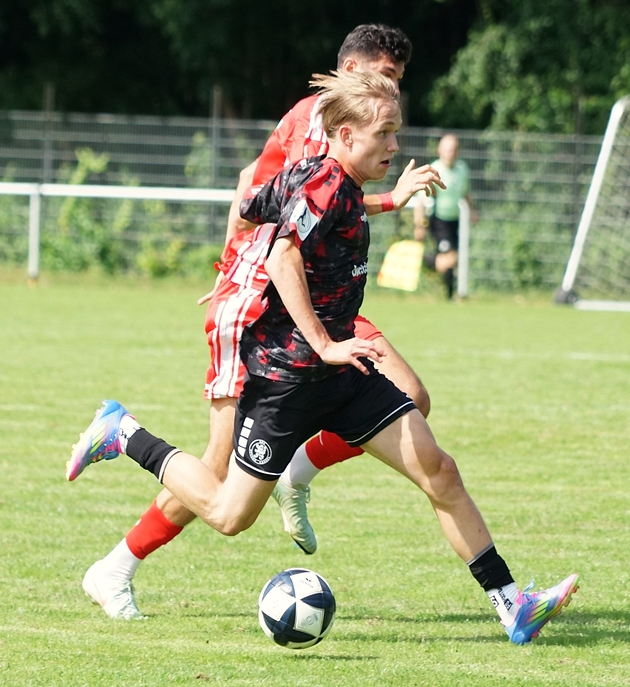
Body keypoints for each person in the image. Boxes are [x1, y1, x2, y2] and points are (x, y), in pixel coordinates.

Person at [67, 69, 578, 645]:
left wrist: (386, 202)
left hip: (344, 377)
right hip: (287, 380)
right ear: (346, 134)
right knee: (229, 515)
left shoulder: (328, 178)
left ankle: (513, 607)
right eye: (384, 133)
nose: (395, 144)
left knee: (439, 469)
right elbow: (282, 254)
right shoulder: (326, 182)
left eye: (396, 132)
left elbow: (254, 204)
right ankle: (124, 432)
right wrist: (324, 342)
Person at [80, 24, 442, 621]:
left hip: (316, 298)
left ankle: (296, 470)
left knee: (411, 397)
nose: (392, 91)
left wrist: (388, 200)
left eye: (398, 81)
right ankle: (117, 561)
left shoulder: (341, 124)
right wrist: (233, 266)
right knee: (220, 475)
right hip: (264, 301)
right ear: (351, 71)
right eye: (384, 76)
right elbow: (281, 204)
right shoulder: (320, 119)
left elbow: (279, 189)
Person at [414, 134, 475, 300]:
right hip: (439, 221)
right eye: (448, 149)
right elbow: (421, 201)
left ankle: (450, 296)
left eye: (454, 149)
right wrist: (419, 225)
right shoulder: (434, 170)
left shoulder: (462, 169)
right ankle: (420, 259)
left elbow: (466, 192)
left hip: (457, 221)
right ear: (440, 151)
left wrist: (472, 212)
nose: (451, 153)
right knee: (449, 259)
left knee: (451, 261)